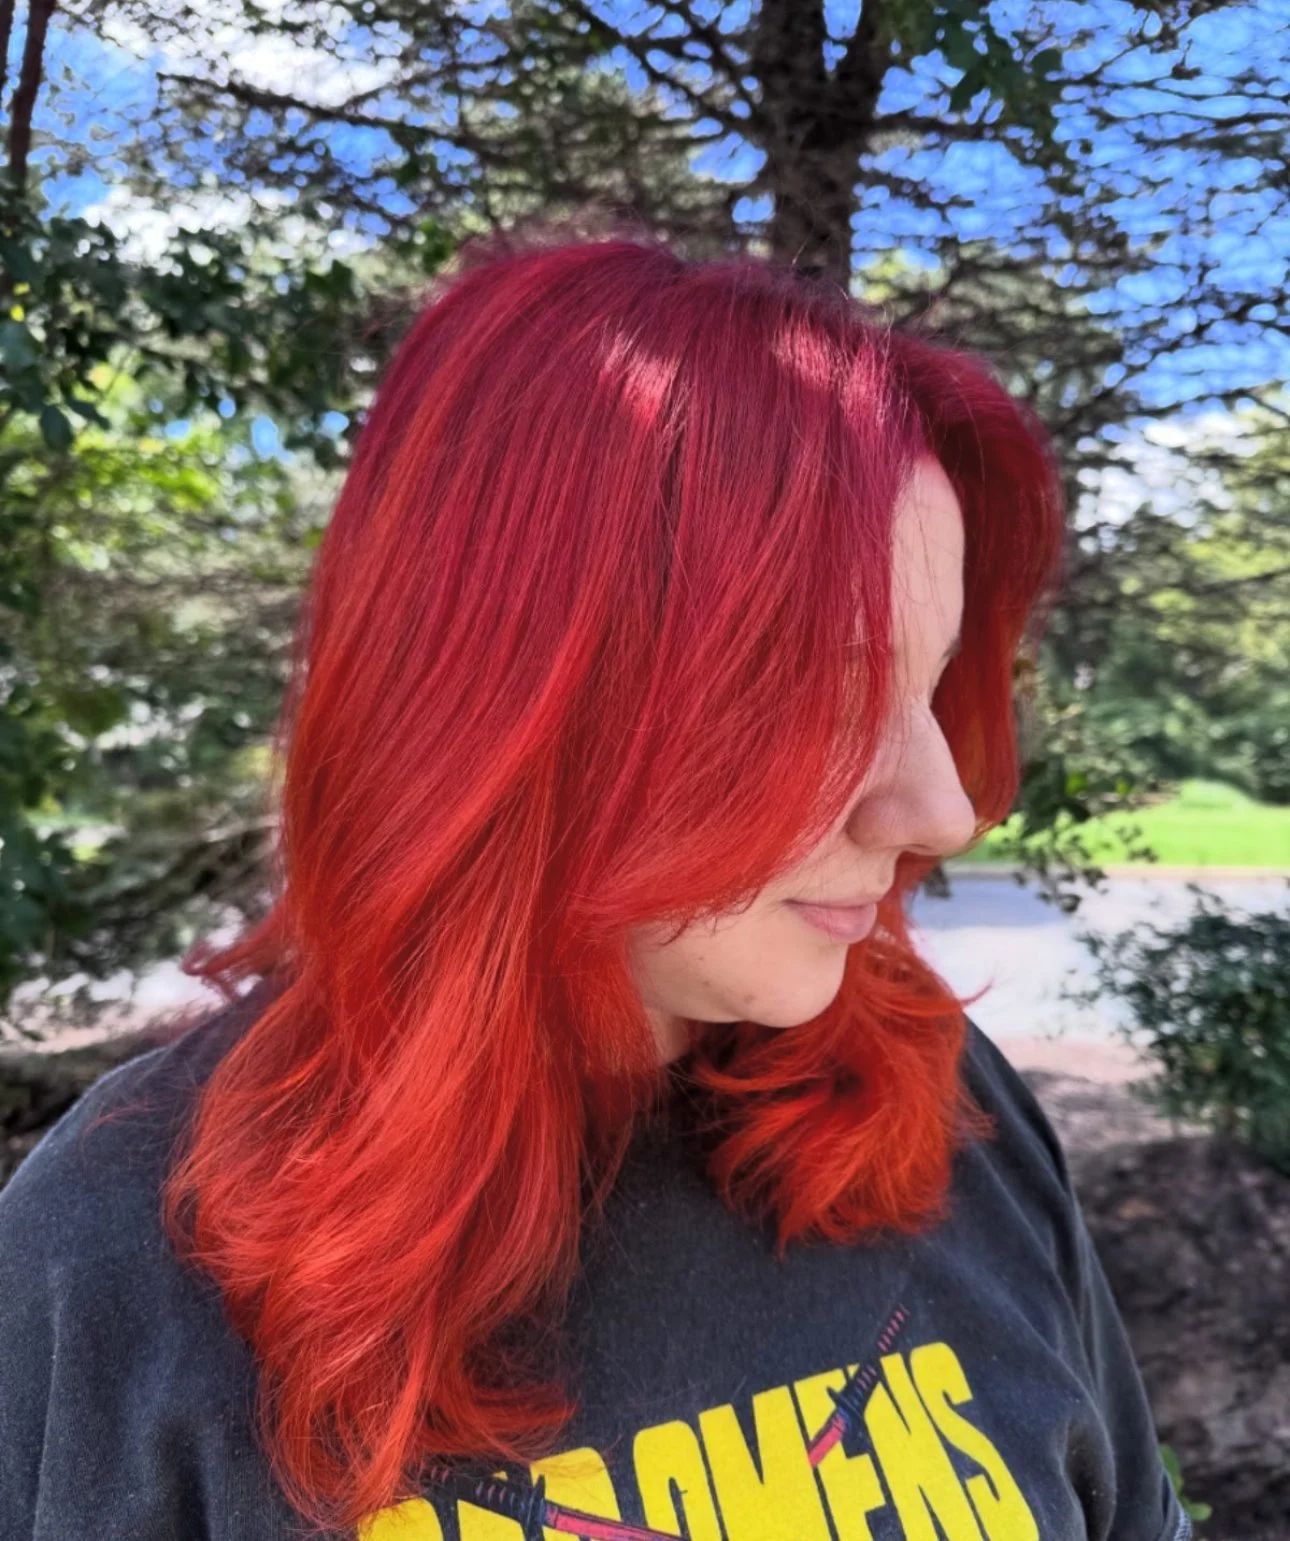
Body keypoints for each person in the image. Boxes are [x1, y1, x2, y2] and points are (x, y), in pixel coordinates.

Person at [0, 220, 1192, 1541]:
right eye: (821, 693)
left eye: (930, 683)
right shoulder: (115, 1256)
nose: (943, 813)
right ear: (518, 707)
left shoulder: (944, 1106)